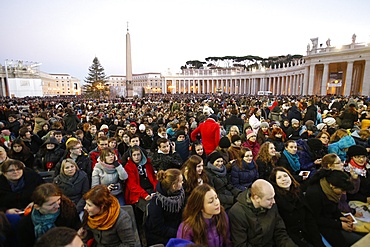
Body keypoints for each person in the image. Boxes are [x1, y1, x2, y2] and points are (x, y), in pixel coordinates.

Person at [228, 179, 296, 247]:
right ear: (256, 198)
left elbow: (279, 232)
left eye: (273, 197)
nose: (274, 201)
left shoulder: (270, 204)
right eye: (269, 199)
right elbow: (240, 244)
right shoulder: (237, 213)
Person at [269, 167, 325, 247]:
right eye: (279, 178)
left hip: (307, 232)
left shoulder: (298, 192)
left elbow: (309, 218)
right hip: (293, 239)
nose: (284, 179)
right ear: (275, 182)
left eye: (285, 176)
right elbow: (283, 229)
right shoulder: (275, 200)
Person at [305, 170, 362, 247]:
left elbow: (333, 208)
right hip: (321, 226)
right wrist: (340, 225)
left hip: (332, 220)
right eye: (342, 190)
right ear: (332, 185)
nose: (344, 193)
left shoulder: (331, 191)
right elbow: (316, 218)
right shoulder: (314, 194)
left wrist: (340, 216)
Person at [145, 168, 186, 246]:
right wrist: (178, 233)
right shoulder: (157, 202)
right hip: (161, 236)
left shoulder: (180, 193)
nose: (183, 183)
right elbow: (158, 228)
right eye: (181, 181)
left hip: (177, 228)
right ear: (174, 186)